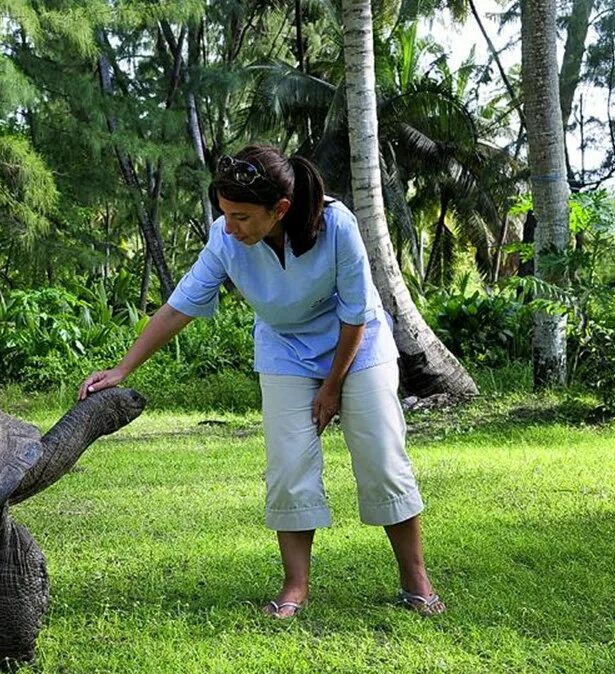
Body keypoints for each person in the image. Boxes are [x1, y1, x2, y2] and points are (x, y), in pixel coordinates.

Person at [78, 144, 445, 618]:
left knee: (381, 455)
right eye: (225, 214)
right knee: (289, 466)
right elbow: (178, 307)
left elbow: (356, 316)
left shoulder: (338, 226)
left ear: (281, 209)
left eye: (242, 216)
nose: (230, 226)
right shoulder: (225, 237)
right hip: (285, 349)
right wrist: (123, 368)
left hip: (358, 344)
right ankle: (295, 587)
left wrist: (332, 389)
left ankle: (415, 579)